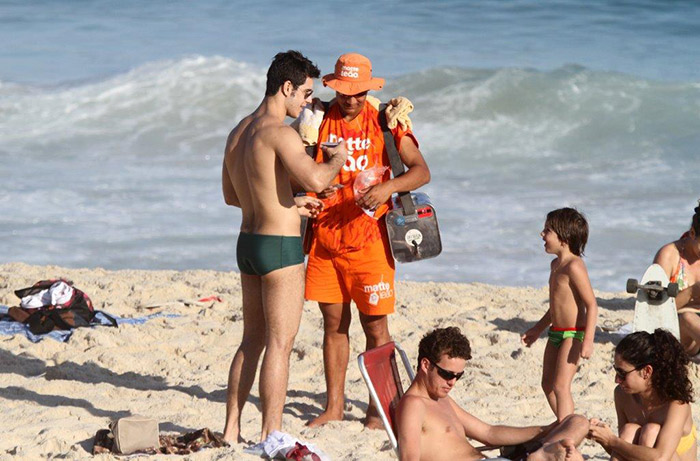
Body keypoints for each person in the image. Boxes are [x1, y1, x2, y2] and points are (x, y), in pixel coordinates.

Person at [220, 50, 349, 443]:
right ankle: (270, 431)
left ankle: (231, 430)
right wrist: (337, 159)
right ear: (286, 87)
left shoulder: (239, 131)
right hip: (279, 248)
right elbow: (316, 178)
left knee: (251, 340)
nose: (308, 103)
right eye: (306, 94)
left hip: (248, 243)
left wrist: (286, 204)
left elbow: (232, 196)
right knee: (280, 342)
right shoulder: (281, 132)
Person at [303, 53, 431, 428]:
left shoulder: (385, 122)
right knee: (333, 326)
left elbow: (421, 171)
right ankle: (334, 407)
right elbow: (298, 173)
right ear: (334, 86)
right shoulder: (317, 121)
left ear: (369, 89)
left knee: (375, 328)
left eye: (359, 92)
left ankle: (378, 409)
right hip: (325, 240)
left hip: (371, 242)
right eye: (345, 91)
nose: (351, 99)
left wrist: (387, 187)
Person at [396, 327, 587, 461]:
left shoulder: (440, 397)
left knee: (577, 422)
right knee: (565, 453)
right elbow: (409, 458)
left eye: (458, 376)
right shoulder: (413, 405)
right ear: (426, 365)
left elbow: (489, 433)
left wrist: (546, 428)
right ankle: (541, 456)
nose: (452, 382)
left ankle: (541, 453)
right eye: (447, 374)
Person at [521, 208, 598, 421]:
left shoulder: (574, 266)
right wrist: (537, 329)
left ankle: (568, 433)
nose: (542, 235)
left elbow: (591, 304)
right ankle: (565, 423)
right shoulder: (555, 265)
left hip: (574, 334)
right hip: (556, 332)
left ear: (564, 239)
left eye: (547, 231)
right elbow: (555, 307)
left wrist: (588, 340)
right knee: (547, 385)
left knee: (561, 386)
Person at [588, 329, 697, 460]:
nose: (617, 379)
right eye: (616, 371)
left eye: (622, 373)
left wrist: (612, 440)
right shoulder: (622, 395)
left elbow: (660, 458)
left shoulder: (677, 405)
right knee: (629, 430)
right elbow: (626, 451)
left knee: (651, 432)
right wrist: (603, 438)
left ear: (646, 371)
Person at [653, 200, 700, 355]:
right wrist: (691, 292)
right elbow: (654, 308)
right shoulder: (669, 255)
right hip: (677, 332)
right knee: (688, 318)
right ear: (692, 233)